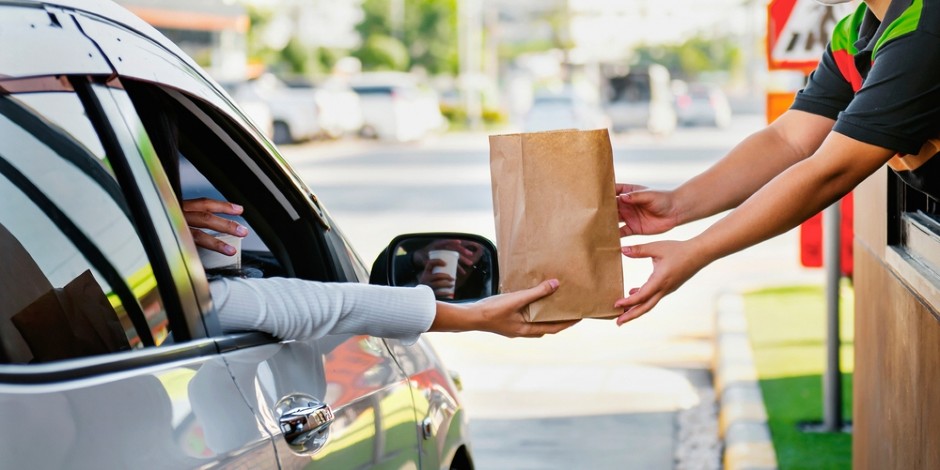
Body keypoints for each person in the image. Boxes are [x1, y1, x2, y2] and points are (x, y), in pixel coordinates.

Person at [613, 0, 940, 325]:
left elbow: (830, 171)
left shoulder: (924, 29)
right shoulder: (856, 30)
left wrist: (697, 250)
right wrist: (676, 204)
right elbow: (788, 140)